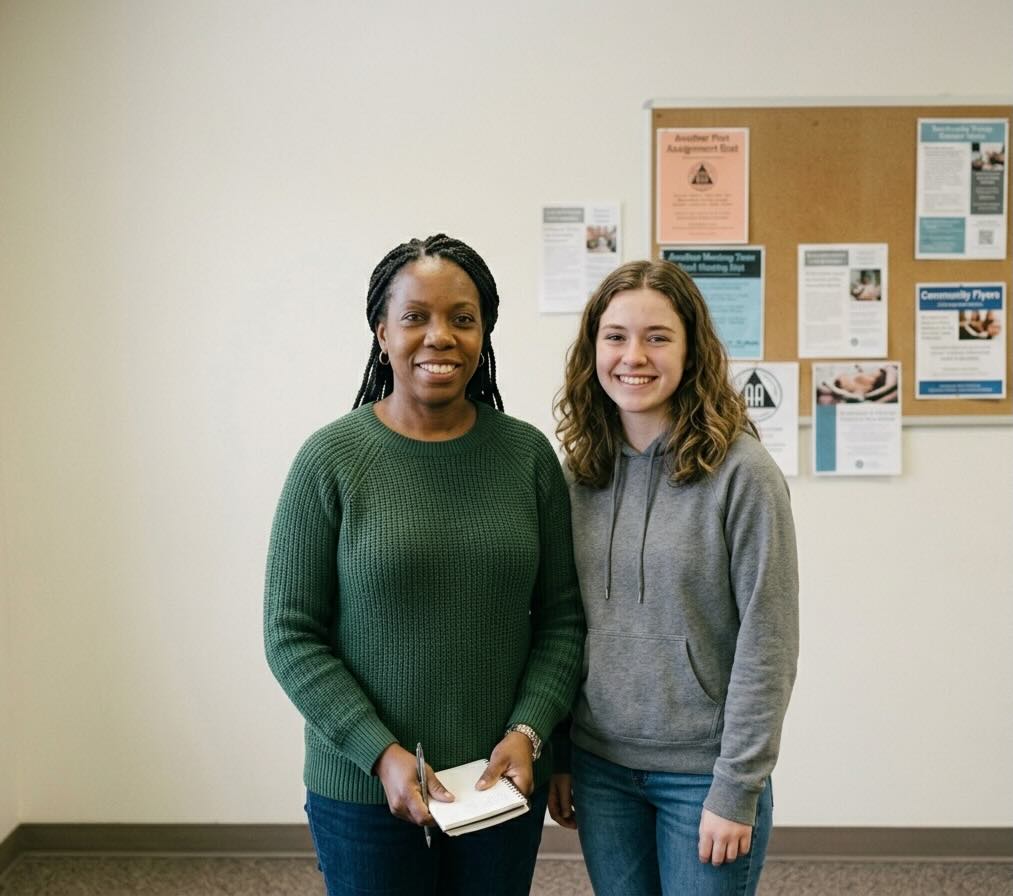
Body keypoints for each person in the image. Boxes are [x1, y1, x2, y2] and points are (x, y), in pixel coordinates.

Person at [264, 234, 584, 896]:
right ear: (381, 331)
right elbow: (290, 632)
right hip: (362, 790)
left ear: (483, 332)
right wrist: (379, 754)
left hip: (498, 785)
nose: (439, 336)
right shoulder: (329, 461)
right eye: (415, 317)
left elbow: (562, 618)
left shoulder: (525, 458)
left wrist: (529, 729)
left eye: (461, 318)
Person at [549, 259, 799, 896]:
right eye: (616, 336)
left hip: (702, 775)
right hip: (601, 768)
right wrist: (561, 752)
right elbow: (558, 622)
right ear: (592, 349)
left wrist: (736, 786)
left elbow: (767, 642)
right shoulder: (578, 474)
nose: (634, 355)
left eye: (657, 336)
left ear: (692, 349)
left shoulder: (742, 474)